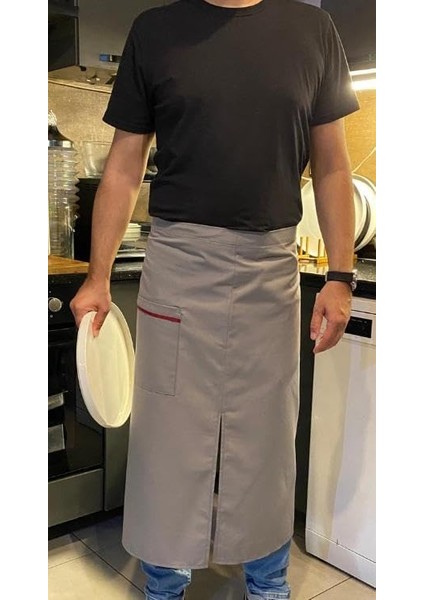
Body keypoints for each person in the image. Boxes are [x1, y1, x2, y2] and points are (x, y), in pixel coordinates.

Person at [70, 0, 360, 598]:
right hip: (178, 267)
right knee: (168, 440)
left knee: (267, 441)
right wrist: (98, 277)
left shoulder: (312, 30)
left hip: (270, 270)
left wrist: (340, 274)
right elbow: (124, 166)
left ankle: (268, 585)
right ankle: (164, 585)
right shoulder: (156, 30)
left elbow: (333, 165)